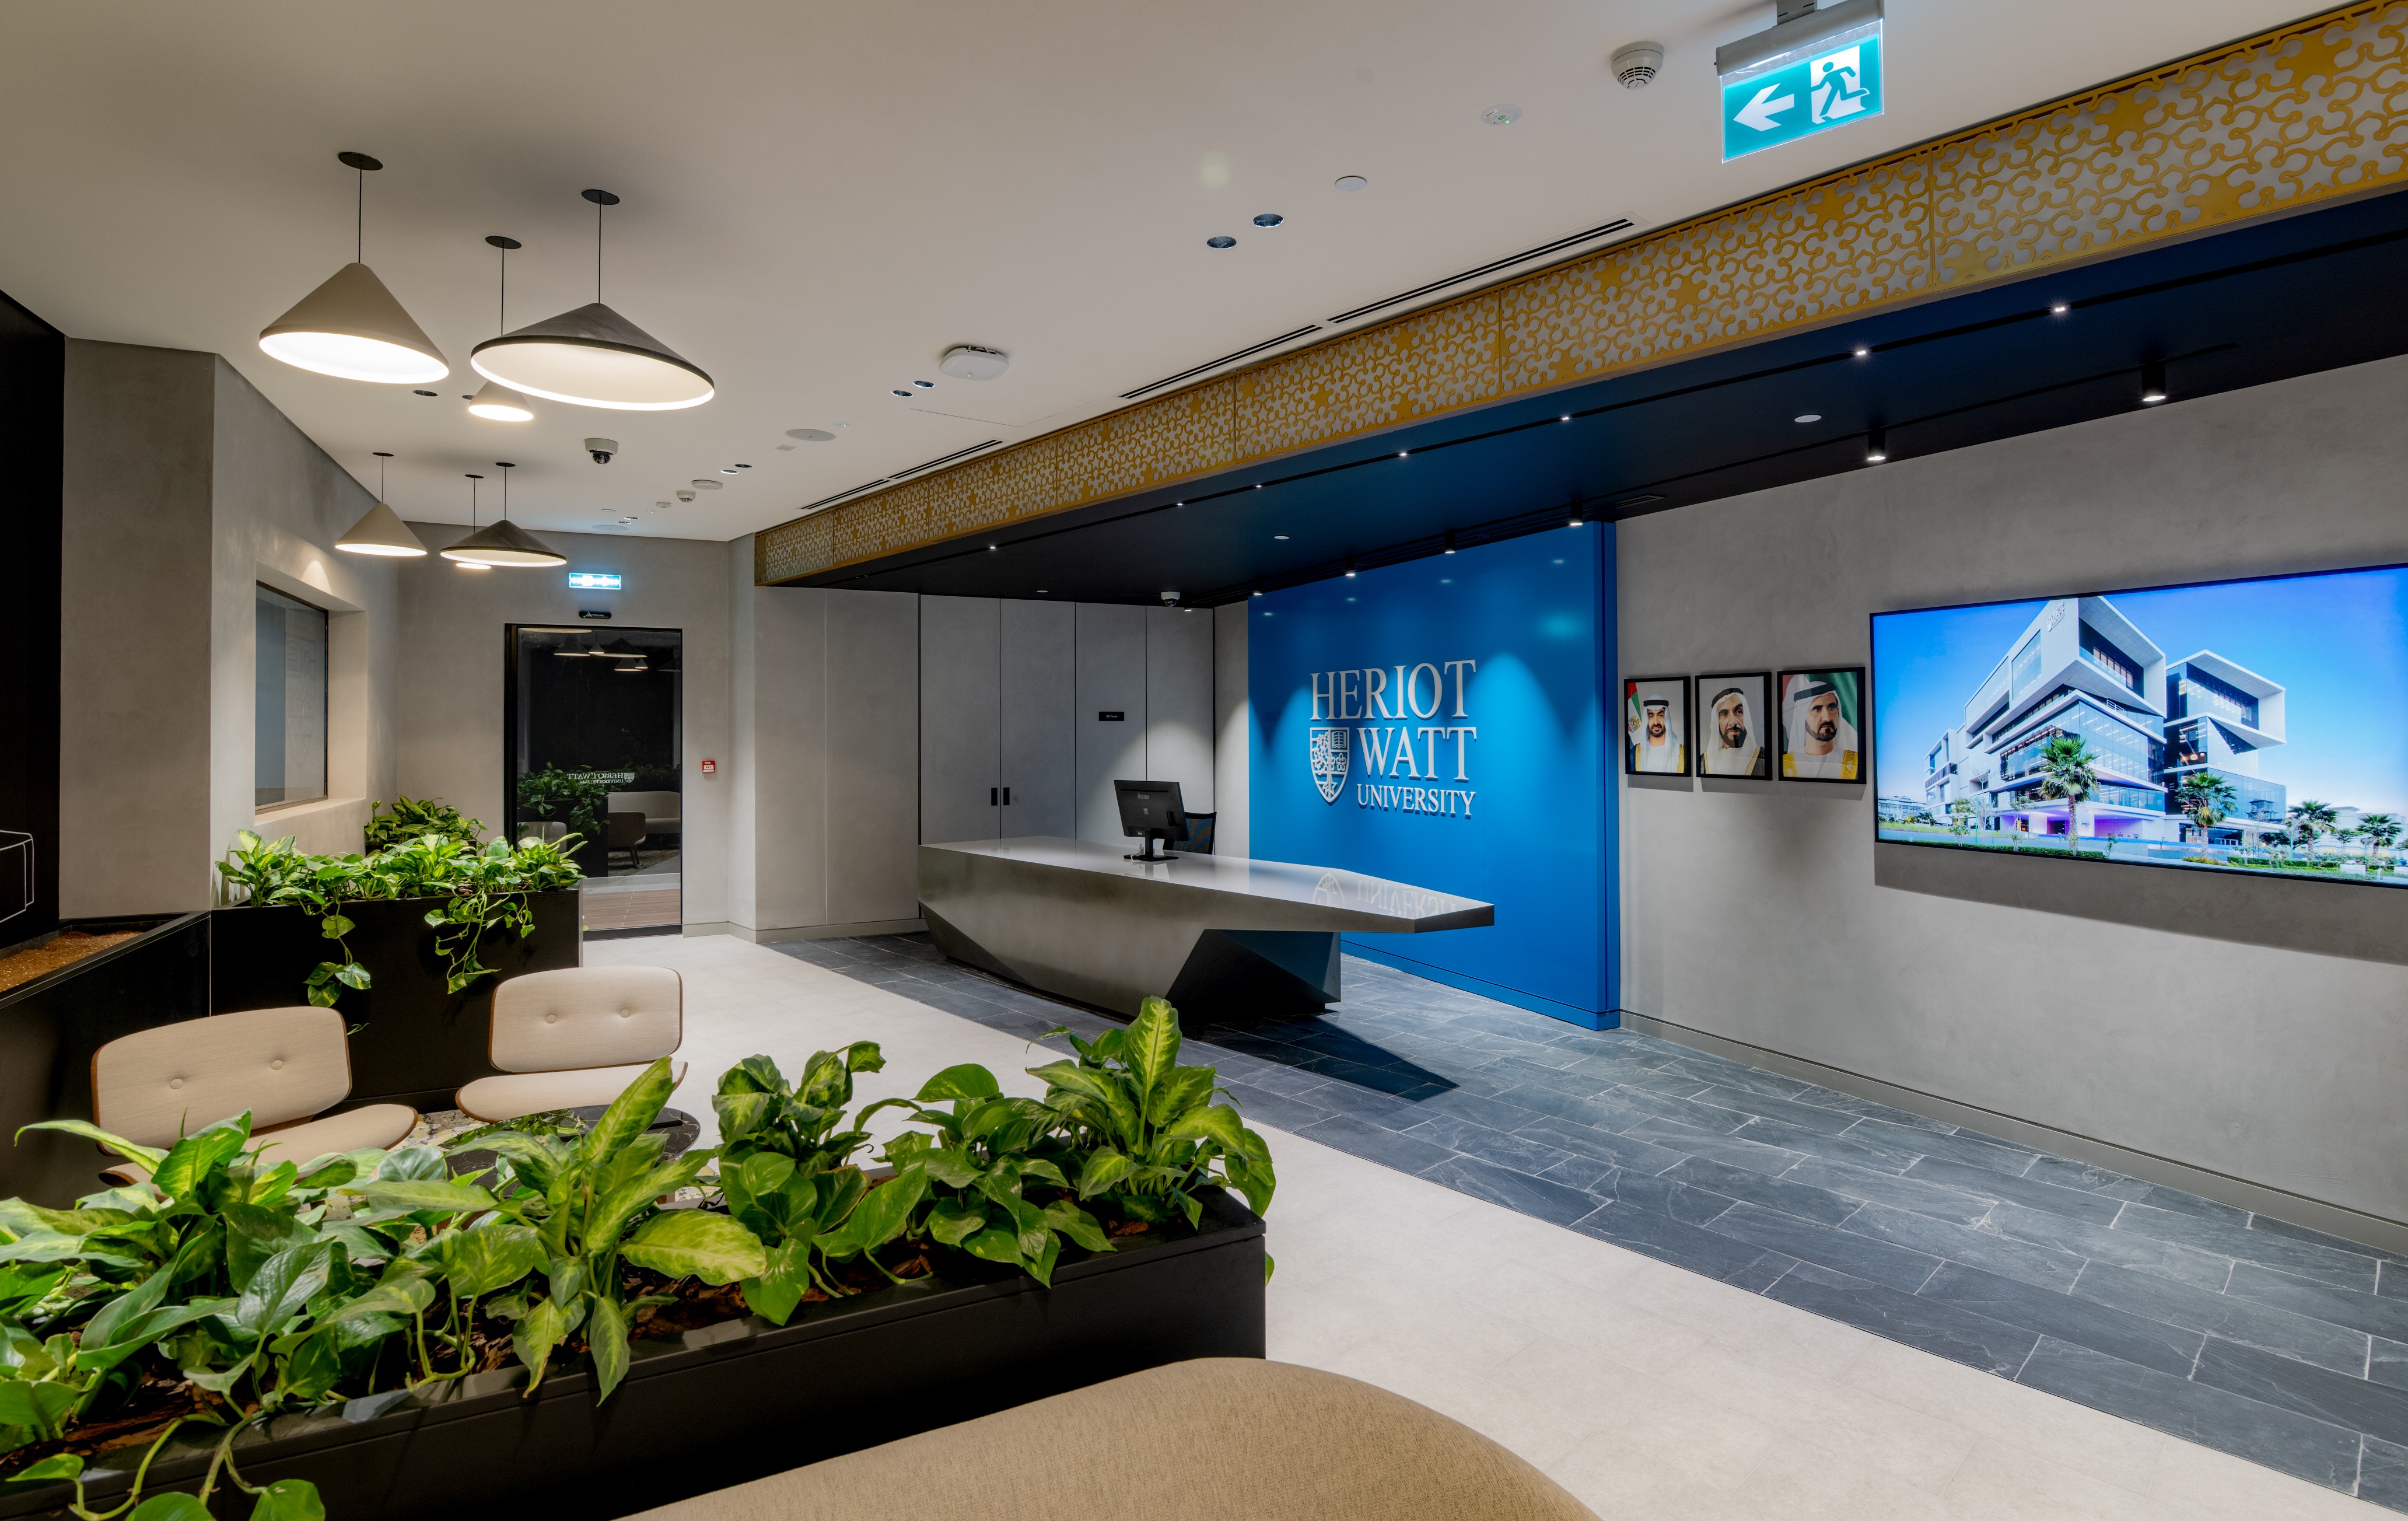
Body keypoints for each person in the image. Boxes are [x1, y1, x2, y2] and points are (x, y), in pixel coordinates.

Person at [1783, 677, 1860, 780]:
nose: (1827, 718)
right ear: (1802, 717)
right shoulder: (1785, 765)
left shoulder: (1856, 763)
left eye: (1832, 708)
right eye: (1817, 709)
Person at [1700, 685, 1763, 776]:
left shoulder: (1764, 758)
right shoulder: (1702, 763)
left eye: (1738, 712)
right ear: (1717, 722)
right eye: (1724, 714)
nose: (1733, 722)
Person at [1632, 693, 1684, 772]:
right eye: (1651, 716)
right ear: (1647, 720)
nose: (1656, 722)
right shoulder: (1634, 754)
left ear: (1666, 718)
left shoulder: (1682, 753)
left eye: (1660, 715)